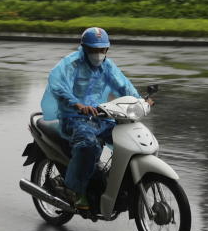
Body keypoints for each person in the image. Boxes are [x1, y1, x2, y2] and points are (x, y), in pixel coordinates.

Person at [40, 27, 145, 210]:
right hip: (73, 117)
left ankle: (113, 183)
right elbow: (57, 83)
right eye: (93, 50)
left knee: (127, 137)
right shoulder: (71, 64)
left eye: (102, 50)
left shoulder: (107, 65)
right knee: (89, 144)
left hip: (99, 116)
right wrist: (76, 104)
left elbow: (124, 85)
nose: (98, 54)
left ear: (107, 50)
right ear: (84, 48)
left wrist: (140, 101)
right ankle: (73, 189)